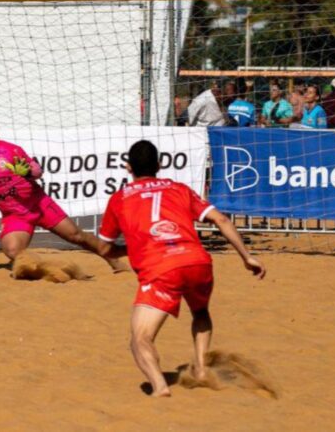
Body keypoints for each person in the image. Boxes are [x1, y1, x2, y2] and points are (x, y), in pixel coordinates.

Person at [95, 140, 266, 397]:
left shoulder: (119, 199)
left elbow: (106, 248)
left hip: (161, 268)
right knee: (200, 311)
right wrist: (247, 256)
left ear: (127, 167)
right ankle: (199, 368)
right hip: (197, 262)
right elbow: (220, 219)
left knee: (140, 338)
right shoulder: (179, 189)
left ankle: (160, 385)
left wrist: (133, 247)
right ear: (160, 165)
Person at [0, 113, 126, 271]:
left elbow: (37, 171)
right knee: (11, 251)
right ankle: (49, 269)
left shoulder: (10, 150)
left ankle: (112, 259)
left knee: (76, 236)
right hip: (15, 215)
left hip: (38, 204)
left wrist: (27, 171)